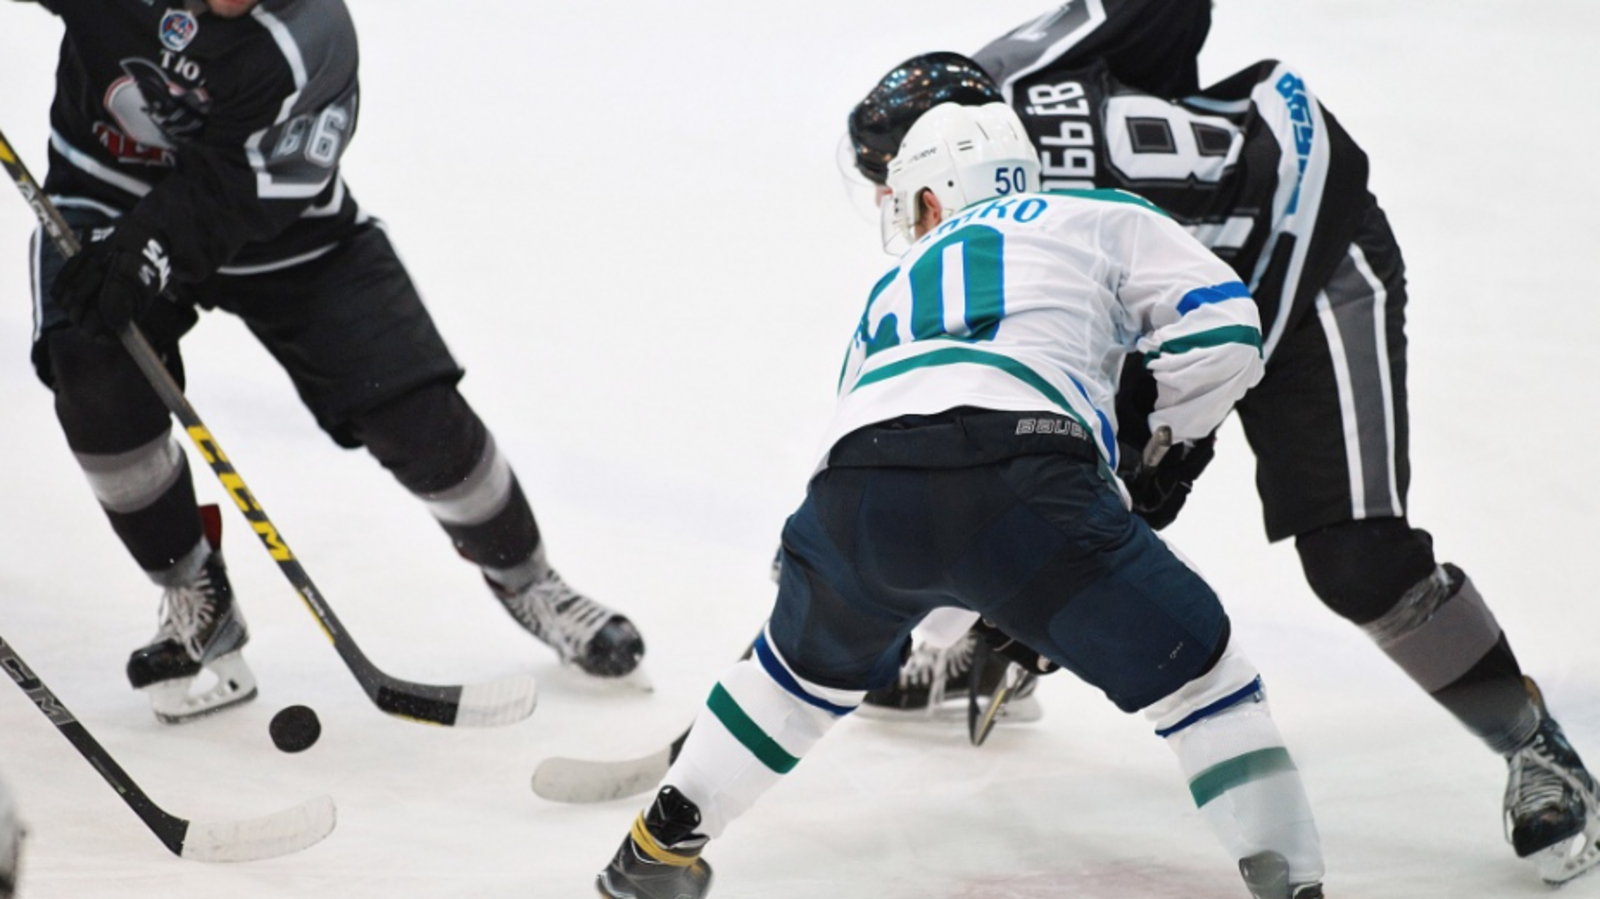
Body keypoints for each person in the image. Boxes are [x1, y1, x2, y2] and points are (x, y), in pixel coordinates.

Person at [844, 2, 1600, 884]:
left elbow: (1218, 340)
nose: (898, 210)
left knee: (1357, 558)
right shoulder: (1002, 112)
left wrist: (1174, 439)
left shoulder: (1019, 181)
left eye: (896, 187)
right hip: (1185, 284)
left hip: (1313, 259)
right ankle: (988, 641)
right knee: (1048, 471)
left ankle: (1534, 744)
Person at [597, 100, 1330, 899]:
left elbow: (885, 465)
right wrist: (1161, 447)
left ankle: (650, 854)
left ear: (933, 196)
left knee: (788, 684)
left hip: (855, 492)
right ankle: (1292, 881)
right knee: (1205, 685)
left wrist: (950, 608)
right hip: (1025, 471)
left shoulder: (892, 286)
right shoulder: (1096, 213)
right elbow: (1222, 334)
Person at [15, 0, 645, 723]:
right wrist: (134, 243)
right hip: (104, 204)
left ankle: (529, 579)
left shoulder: (309, 34)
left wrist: (150, 247)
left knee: (417, 418)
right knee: (94, 377)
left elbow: (238, 188)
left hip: (281, 228)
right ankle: (195, 594)